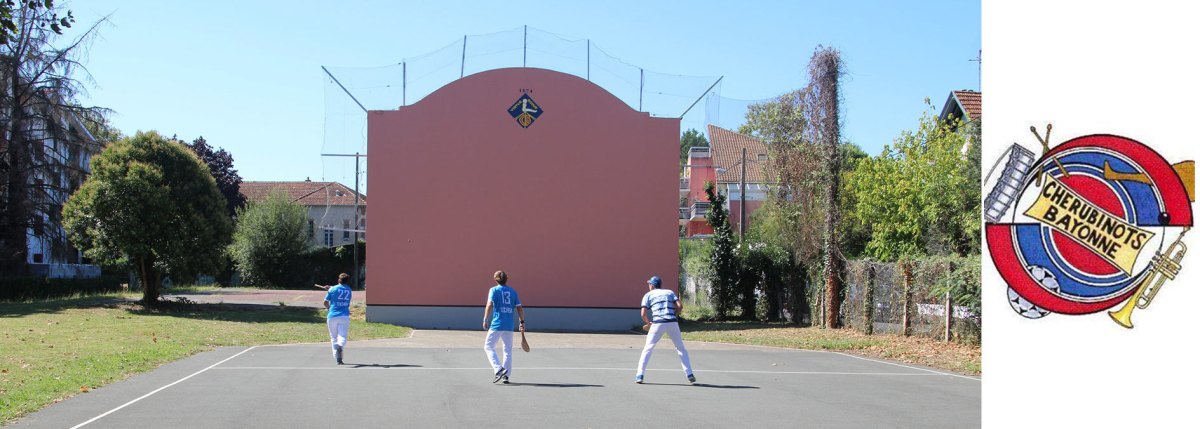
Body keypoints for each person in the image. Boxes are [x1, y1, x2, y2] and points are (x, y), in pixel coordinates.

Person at [635, 275, 694, 384]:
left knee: (648, 349)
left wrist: (648, 323)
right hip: (672, 322)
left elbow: (643, 314)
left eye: (649, 284)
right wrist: (674, 314)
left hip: (657, 323)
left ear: (652, 285)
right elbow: (680, 306)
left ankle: (640, 375)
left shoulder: (648, 295)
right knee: (681, 348)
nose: (648, 286)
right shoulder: (669, 292)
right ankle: (689, 373)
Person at [482, 270, 524, 384]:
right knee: (507, 350)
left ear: (495, 280)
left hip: (497, 324)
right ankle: (506, 376)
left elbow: (489, 305)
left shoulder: (493, 290)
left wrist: (485, 319)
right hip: (509, 325)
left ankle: (498, 369)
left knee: (488, 346)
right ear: (507, 279)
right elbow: (519, 308)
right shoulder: (513, 291)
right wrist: (522, 322)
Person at [318, 273, 353, 365]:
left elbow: (325, 302)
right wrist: (330, 287)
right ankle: (340, 346)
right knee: (342, 336)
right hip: (344, 315)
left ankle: (337, 356)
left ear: (339, 280)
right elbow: (340, 289)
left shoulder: (332, 289)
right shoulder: (349, 290)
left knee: (333, 337)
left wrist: (329, 308)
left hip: (332, 315)